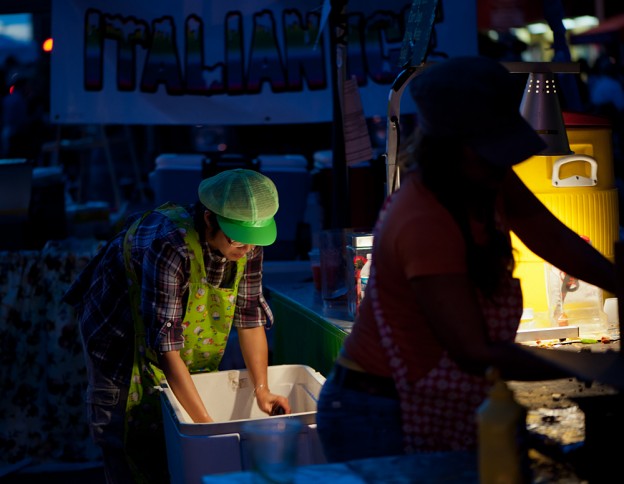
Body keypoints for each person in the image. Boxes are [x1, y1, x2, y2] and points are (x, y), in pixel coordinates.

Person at [315, 56, 617, 461]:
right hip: (375, 410)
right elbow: (471, 351)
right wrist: (598, 367)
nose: (504, 163)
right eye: (491, 152)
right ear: (447, 148)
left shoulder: (485, 177)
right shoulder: (423, 219)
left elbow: (556, 242)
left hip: (430, 396)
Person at [63, 168, 291, 483]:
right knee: (128, 439)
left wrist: (262, 390)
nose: (248, 250)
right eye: (240, 239)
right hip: (118, 336)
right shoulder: (170, 245)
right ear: (210, 219)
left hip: (176, 340)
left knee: (175, 438)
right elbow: (166, 348)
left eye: (255, 240)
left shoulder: (247, 245)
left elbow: (249, 318)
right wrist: (208, 430)